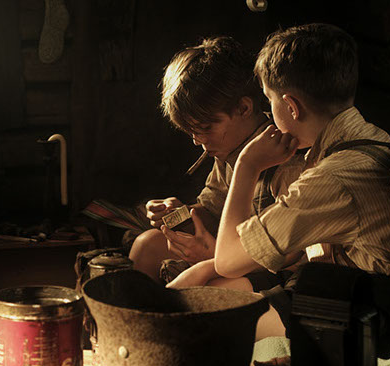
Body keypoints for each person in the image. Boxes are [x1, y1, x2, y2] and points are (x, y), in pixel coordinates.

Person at [167, 23, 390, 340]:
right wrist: (207, 268)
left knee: (190, 316)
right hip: (352, 290)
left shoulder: (331, 178)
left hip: (369, 314)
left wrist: (247, 165)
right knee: (210, 289)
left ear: (291, 106)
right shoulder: (371, 138)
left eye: (269, 99)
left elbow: (228, 260)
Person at [129, 36, 305, 283]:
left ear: (244, 108)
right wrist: (181, 216)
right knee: (147, 245)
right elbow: (213, 208)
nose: (197, 140)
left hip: (274, 272)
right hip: (227, 253)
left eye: (205, 128)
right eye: (191, 131)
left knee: (206, 282)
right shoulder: (228, 147)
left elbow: (287, 255)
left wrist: (211, 257)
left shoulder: (286, 161)